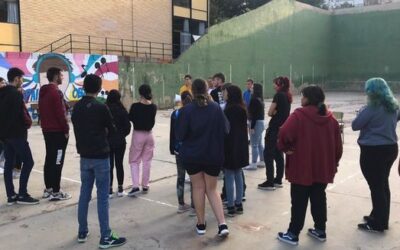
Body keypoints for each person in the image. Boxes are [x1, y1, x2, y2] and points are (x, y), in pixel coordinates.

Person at [277, 85, 342, 246]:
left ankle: (293, 233)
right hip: (322, 168)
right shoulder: (330, 119)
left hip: (302, 166)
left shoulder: (299, 115)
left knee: (299, 201)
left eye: (303, 96)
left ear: (308, 98)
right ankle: (320, 230)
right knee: (319, 198)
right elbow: (338, 147)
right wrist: (333, 163)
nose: (301, 98)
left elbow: (284, 133)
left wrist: (285, 148)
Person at [72, 74, 126, 248]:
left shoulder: (77, 107)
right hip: (100, 156)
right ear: (98, 87)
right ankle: (105, 236)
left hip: (85, 156)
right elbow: (112, 129)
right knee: (102, 198)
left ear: (84, 87)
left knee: (84, 194)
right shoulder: (101, 108)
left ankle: (82, 230)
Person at [176, 78, 229, 237]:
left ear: (192, 90)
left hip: (192, 155)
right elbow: (226, 129)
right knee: (212, 190)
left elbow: (179, 134)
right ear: (207, 90)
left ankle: (201, 224)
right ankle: (222, 224)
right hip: (212, 155)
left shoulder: (186, 110)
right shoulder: (215, 108)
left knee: (198, 187)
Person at [352, 78, 399, 233]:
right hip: (390, 148)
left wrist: (360, 113)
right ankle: (379, 216)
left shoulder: (371, 108)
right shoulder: (393, 107)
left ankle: (378, 223)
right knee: (382, 183)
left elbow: (355, 125)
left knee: (376, 186)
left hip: (373, 151)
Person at [0, 67, 39, 205]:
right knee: (28, 162)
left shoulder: (2, 93)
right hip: (17, 134)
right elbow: (18, 116)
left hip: (5, 136)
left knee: (9, 164)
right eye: (21, 79)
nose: (22, 81)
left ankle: (11, 195)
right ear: (16, 79)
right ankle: (22, 194)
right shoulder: (16, 95)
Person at [39, 67, 71, 201]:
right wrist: (66, 130)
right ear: (56, 76)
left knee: (49, 159)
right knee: (58, 161)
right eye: (61, 75)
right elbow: (60, 114)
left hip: (47, 131)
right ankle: (56, 191)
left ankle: (49, 188)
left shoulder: (44, 92)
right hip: (57, 132)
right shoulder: (55, 93)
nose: (62, 78)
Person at [258, 76, 292, 190]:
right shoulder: (287, 96)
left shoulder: (278, 95)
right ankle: (278, 179)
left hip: (274, 128)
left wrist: (274, 112)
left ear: (280, 84)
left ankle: (270, 181)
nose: (273, 85)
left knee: (268, 154)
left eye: (275, 83)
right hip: (283, 128)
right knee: (278, 154)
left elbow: (269, 112)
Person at [223, 85, 248, 217]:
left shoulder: (228, 110)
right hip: (241, 145)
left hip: (230, 145)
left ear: (230, 94)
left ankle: (231, 206)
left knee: (229, 175)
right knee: (238, 173)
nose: (224, 94)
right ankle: (239, 204)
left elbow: (225, 130)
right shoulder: (242, 108)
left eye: (225, 92)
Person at [128, 84, 157, 196]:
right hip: (149, 135)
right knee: (147, 161)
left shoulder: (135, 106)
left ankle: (135, 185)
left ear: (140, 93)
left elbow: (130, 118)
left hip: (138, 134)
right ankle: (145, 185)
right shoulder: (153, 107)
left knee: (134, 160)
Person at [170, 91, 194, 213]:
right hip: (191, 149)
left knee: (181, 176)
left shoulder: (176, 113)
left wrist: (172, 148)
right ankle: (195, 205)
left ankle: (181, 204)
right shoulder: (194, 112)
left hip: (179, 149)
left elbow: (172, 133)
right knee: (194, 177)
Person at [106, 90, 131, 198]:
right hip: (120, 141)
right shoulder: (122, 110)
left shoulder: (105, 109)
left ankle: (109, 190)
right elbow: (128, 127)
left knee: (109, 165)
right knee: (119, 164)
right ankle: (120, 188)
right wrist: (122, 135)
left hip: (107, 141)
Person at [244, 83, 265, 170]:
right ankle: (262, 161)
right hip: (261, 123)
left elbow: (254, 115)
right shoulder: (260, 99)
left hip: (255, 123)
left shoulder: (254, 100)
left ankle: (253, 163)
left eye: (252, 87)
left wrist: (252, 127)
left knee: (254, 145)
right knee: (259, 144)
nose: (251, 88)